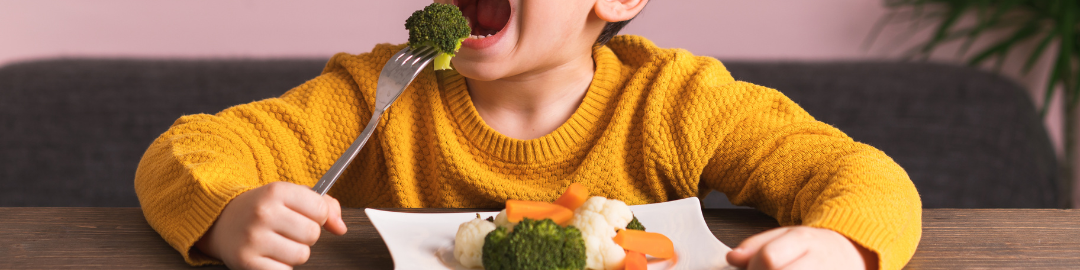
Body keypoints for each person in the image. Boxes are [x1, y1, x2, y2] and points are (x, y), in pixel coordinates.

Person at [134, 0, 921, 269]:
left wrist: (841, 244)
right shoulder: (381, 91)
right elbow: (187, 151)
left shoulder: (676, 101)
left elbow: (860, 174)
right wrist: (227, 214)